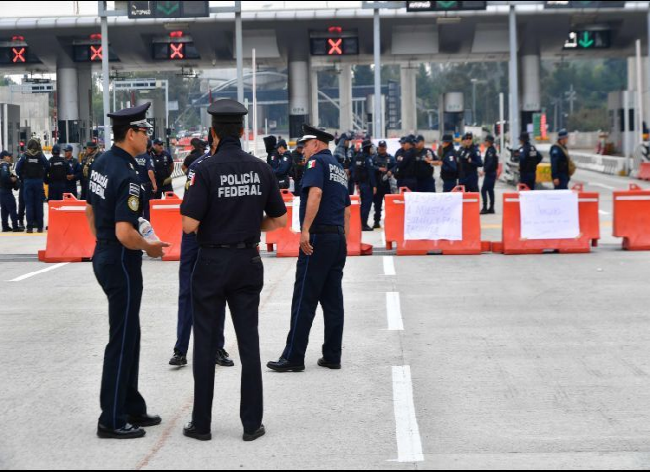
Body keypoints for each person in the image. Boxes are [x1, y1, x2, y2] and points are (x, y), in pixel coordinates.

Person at [180, 99, 287, 442]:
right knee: (249, 342)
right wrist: (246, 223)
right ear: (242, 131)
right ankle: (251, 423)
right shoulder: (261, 168)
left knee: (206, 342)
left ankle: (202, 424)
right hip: (247, 261)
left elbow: (187, 224)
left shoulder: (205, 170)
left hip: (211, 261)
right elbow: (280, 220)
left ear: (213, 132)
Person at [85, 102, 169, 439]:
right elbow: (125, 231)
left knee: (129, 333)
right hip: (121, 259)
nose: (149, 136)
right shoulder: (128, 174)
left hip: (105, 255)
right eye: (145, 131)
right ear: (131, 133)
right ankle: (112, 418)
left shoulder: (102, 163)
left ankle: (132, 405)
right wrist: (150, 248)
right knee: (121, 338)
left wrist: (103, 244)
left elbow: (90, 211)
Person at [267, 124, 351, 374]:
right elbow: (346, 210)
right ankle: (332, 355)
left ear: (316, 144)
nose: (302, 151)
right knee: (333, 300)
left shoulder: (317, 164)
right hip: (336, 240)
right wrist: (342, 238)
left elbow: (314, 194)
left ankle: (293, 356)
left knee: (304, 297)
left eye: (304, 146)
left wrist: (305, 231)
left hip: (318, 239)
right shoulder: (338, 168)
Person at [171, 132, 234, 369]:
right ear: (215, 140)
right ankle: (181, 348)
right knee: (187, 292)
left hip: (217, 239)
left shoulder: (230, 167)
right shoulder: (197, 167)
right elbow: (188, 206)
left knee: (218, 294)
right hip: (194, 237)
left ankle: (217, 346)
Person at [15, 139, 49, 233]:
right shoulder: (40, 155)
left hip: (28, 182)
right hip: (38, 182)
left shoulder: (25, 156)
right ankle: (39, 227)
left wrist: (23, 176)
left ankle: (29, 227)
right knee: (39, 204)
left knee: (29, 204)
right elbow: (47, 165)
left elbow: (17, 169)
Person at [351, 139, 377, 231]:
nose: (372, 149)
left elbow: (355, 170)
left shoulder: (358, 156)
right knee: (366, 205)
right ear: (367, 148)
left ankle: (361, 223)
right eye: (370, 147)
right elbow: (371, 173)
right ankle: (363, 224)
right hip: (367, 185)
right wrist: (374, 185)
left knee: (363, 205)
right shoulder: (368, 159)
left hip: (361, 184)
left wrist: (357, 183)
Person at [372, 140, 396, 229]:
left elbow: (395, 166)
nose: (382, 148)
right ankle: (376, 221)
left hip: (387, 185)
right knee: (377, 205)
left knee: (389, 205)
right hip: (378, 185)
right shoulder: (374, 158)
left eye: (383, 147)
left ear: (386, 147)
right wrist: (378, 169)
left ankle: (390, 221)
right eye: (380, 147)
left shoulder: (390, 158)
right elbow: (370, 168)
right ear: (378, 147)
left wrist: (390, 171)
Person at [134, 140, 157, 221]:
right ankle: (147, 224)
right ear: (150, 148)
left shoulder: (134, 156)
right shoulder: (147, 157)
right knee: (147, 206)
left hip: (135, 184)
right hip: (145, 185)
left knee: (136, 206)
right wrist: (154, 184)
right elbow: (150, 171)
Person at [0, 151, 22, 232]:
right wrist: (12, 180)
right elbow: (4, 176)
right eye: (8, 156)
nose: (10, 157)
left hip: (2, 190)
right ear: (4, 157)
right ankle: (15, 226)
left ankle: (5, 226)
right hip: (6, 191)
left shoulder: (1, 165)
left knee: (4, 209)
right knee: (12, 207)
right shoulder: (4, 165)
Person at [480, 135, 499, 214]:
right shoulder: (491, 149)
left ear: (489, 142)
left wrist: (484, 170)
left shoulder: (491, 150)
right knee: (490, 190)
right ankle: (491, 208)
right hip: (492, 173)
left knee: (484, 190)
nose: (484, 142)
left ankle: (485, 208)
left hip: (490, 173)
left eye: (486, 141)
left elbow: (490, 162)